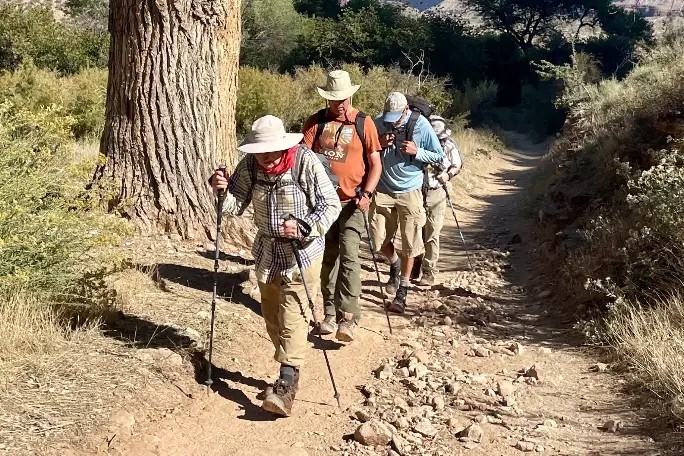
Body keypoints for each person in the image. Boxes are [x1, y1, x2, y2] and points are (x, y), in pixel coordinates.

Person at [209, 115, 341, 417]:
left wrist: (307, 226)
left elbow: (330, 204)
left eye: (269, 151)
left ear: (283, 146)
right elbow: (234, 207)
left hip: (302, 251)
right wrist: (221, 192)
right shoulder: (250, 165)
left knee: (293, 315)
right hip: (267, 250)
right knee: (272, 316)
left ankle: (286, 385)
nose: (265, 158)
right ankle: (288, 366)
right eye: (259, 151)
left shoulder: (304, 162)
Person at [302, 70, 382, 342]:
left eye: (344, 98)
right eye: (335, 99)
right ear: (327, 99)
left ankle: (348, 317)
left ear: (351, 95)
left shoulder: (363, 122)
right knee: (327, 259)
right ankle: (329, 313)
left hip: (353, 203)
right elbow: (303, 159)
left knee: (349, 256)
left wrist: (368, 193)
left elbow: (375, 162)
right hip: (323, 206)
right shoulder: (316, 123)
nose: (340, 103)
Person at [370, 92, 444, 314]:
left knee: (410, 244)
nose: (391, 121)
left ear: (406, 110)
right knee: (377, 238)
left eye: (396, 116)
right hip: (382, 190)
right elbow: (366, 153)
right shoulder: (377, 122)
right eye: (388, 116)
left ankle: (402, 291)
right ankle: (393, 264)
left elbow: (439, 156)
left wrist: (417, 151)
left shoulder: (421, 124)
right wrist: (379, 144)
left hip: (410, 191)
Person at [417, 114, 463, 286]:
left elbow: (457, 164)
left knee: (432, 231)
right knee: (416, 229)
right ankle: (416, 261)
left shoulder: (449, 145)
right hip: (417, 190)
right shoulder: (418, 143)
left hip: (437, 191)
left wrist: (447, 175)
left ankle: (429, 270)